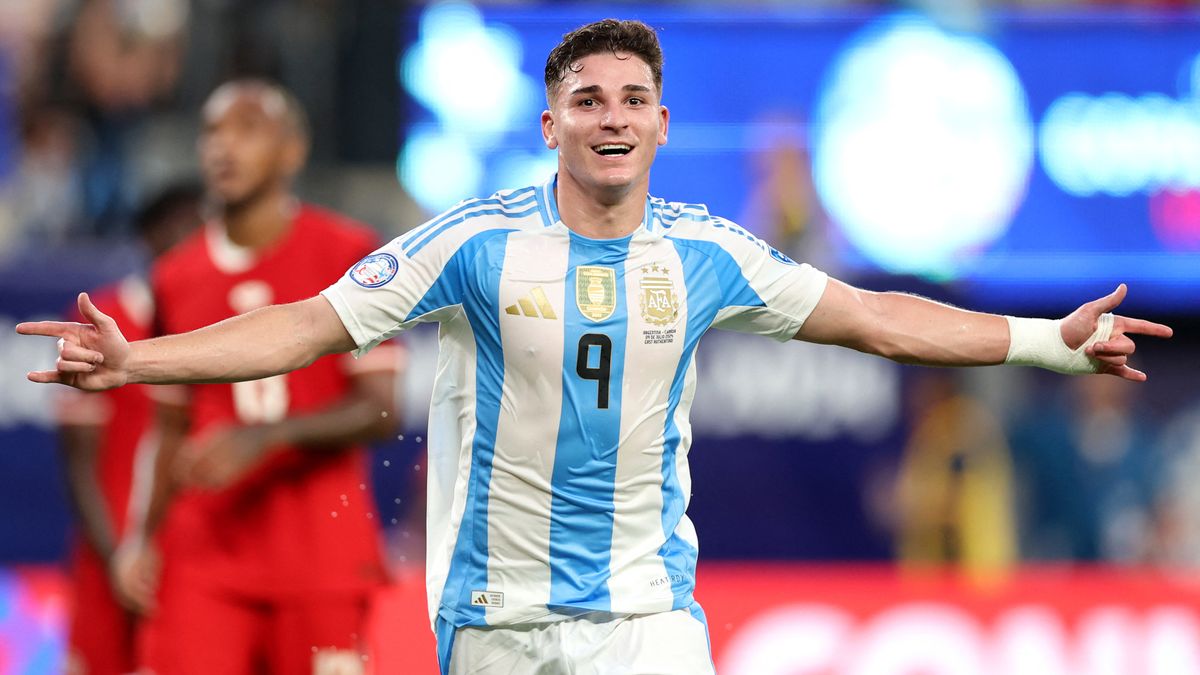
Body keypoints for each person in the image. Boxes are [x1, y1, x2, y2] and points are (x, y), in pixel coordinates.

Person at [18, 20, 1172, 675]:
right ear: (550, 124)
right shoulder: (471, 244)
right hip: (494, 621)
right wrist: (138, 362)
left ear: (663, 124)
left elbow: (875, 318)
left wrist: (1043, 343)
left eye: (632, 98)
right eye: (588, 98)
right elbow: (309, 324)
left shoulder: (710, 253)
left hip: (647, 620)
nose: (612, 115)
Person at [99, 79, 402, 674]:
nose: (224, 147)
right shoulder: (176, 274)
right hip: (205, 549)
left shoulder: (350, 253)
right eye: (213, 131)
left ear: (292, 150)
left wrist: (266, 437)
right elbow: (170, 424)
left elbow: (381, 408)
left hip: (319, 552)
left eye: (247, 129)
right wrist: (142, 536)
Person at [56, 183, 201, 675]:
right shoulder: (100, 317)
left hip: (191, 559)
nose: (191, 241)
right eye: (179, 228)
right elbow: (79, 461)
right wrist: (118, 557)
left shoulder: (225, 328)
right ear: (148, 236)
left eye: (202, 230)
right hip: (111, 553)